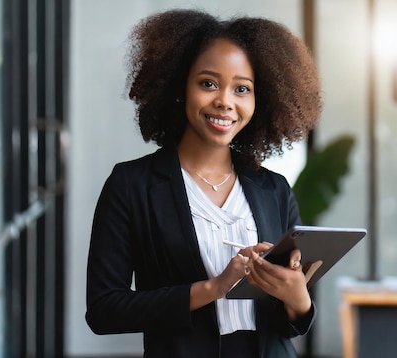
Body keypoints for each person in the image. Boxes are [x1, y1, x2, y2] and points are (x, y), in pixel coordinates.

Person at [85, 8, 322, 358]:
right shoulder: (132, 186)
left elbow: (291, 322)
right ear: (180, 86)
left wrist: (297, 298)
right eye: (208, 83)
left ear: (261, 99)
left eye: (242, 89)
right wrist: (213, 288)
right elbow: (104, 311)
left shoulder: (274, 189)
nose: (225, 101)